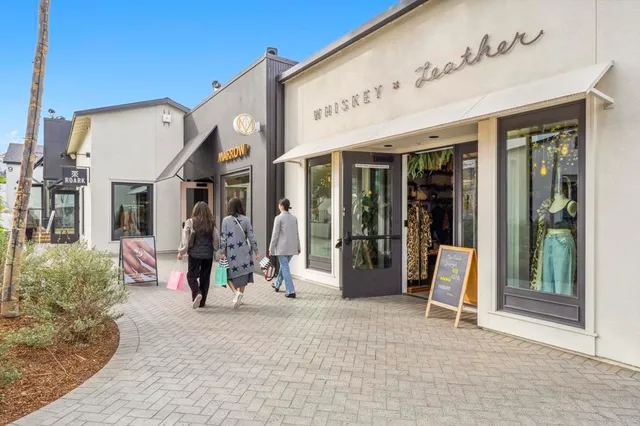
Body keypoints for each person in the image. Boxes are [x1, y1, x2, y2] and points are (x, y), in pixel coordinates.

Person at [219, 197, 260, 309]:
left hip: (231, 253)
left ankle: (236, 293)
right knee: (243, 274)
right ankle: (240, 295)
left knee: (227, 274)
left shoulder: (226, 220)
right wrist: (256, 251)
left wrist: (222, 251)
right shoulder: (246, 219)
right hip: (244, 251)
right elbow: (251, 236)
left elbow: (223, 237)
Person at [178, 201, 219, 309]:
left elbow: (185, 239)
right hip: (208, 255)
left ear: (195, 210)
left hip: (194, 254)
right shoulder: (211, 223)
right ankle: (202, 302)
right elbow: (216, 238)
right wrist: (215, 248)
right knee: (205, 278)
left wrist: (181, 252)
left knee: (191, 276)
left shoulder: (190, 222)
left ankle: (197, 293)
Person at [269, 198, 301, 298]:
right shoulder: (294, 218)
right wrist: (298, 246)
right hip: (292, 249)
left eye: (279, 205)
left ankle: (291, 291)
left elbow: (275, 235)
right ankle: (277, 284)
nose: (279, 206)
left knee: (285, 268)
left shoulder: (278, 218)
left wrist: (271, 248)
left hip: (282, 249)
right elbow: (297, 234)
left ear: (282, 206)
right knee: (284, 267)